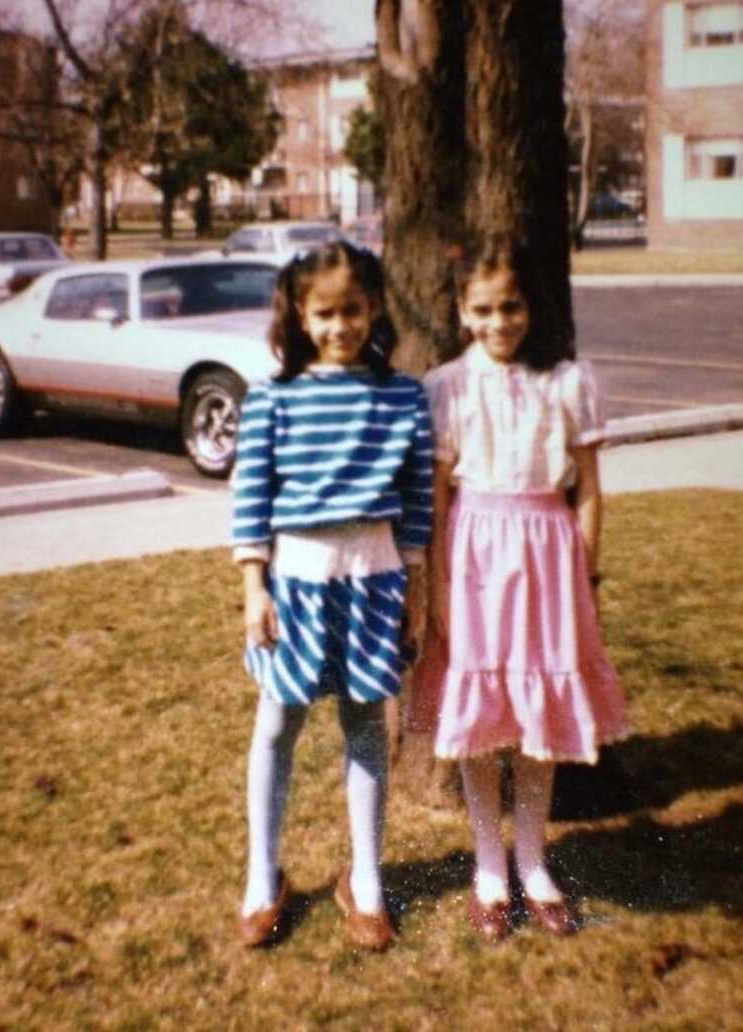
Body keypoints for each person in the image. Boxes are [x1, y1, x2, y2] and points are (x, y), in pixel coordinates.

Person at [411, 235, 628, 941]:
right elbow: (439, 500)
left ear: (531, 307)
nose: (500, 321)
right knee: (481, 717)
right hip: (473, 561)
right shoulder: (446, 387)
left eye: (512, 306)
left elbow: (589, 492)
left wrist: (585, 576)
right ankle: (488, 865)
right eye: (484, 308)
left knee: (536, 716)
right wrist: (439, 589)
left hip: (548, 561)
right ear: (462, 311)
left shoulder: (566, 383)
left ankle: (533, 860)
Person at [232, 241, 433, 951]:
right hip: (294, 582)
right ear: (300, 315)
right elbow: (251, 498)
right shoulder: (273, 399)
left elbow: (415, 499)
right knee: (278, 725)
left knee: (365, 727)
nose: (340, 325)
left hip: (375, 579)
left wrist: (416, 588)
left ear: (375, 309)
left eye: (353, 310)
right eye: (325, 312)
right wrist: (254, 585)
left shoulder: (403, 395)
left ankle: (366, 878)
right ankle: (264, 876)